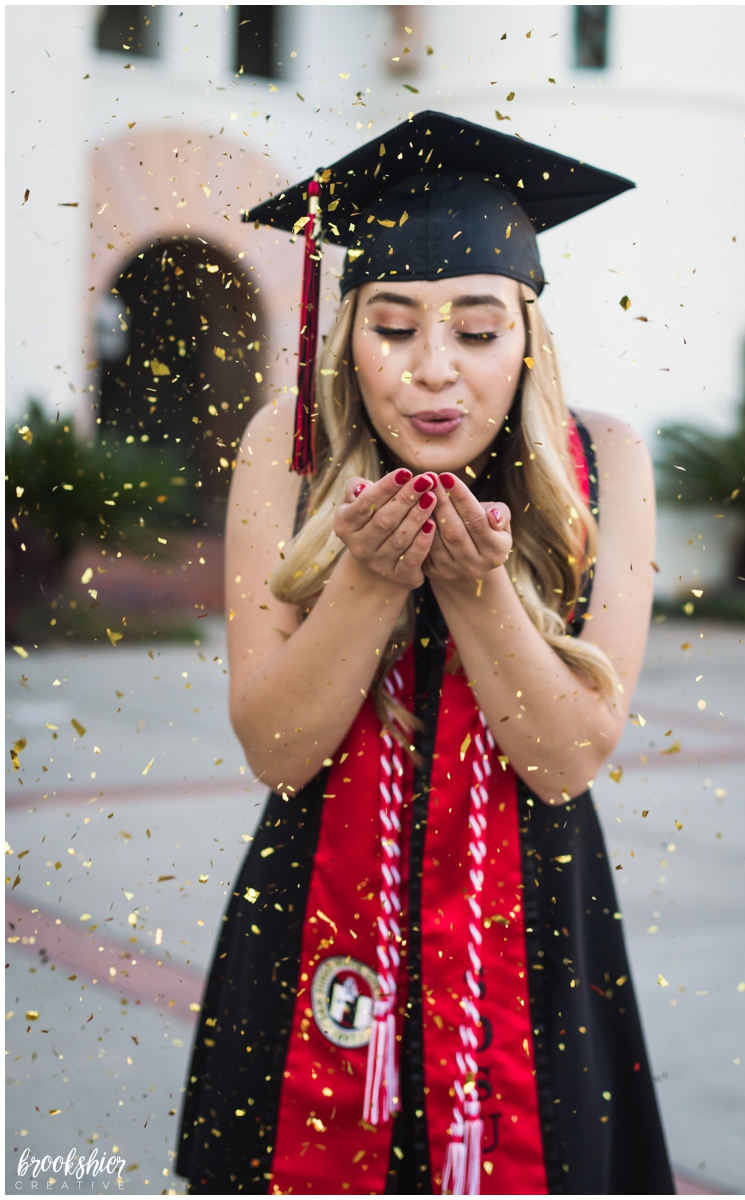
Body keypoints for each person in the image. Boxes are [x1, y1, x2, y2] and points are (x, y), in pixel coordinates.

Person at [177, 111, 674, 1196]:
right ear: (345, 331)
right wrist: (365, 580)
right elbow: (273, 747)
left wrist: (477, 589)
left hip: (530, 937)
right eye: (393, 328)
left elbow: (566, 759)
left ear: (528, 337)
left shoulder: (606, 461)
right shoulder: (286, 447)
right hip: (314, 914)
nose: (431, 373)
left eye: (478, 330)